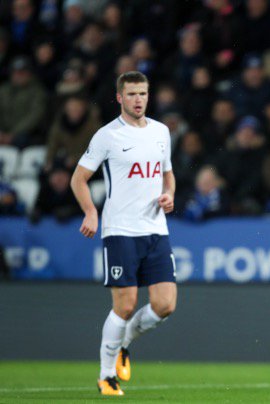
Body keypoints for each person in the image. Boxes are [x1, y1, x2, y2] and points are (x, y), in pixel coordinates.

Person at [71, 71, 176, 396]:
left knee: (165, 305)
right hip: (120, 230)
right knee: (126, 305)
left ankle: (124, 343)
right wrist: (91, 211)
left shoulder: (161, 132)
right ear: (119, 98)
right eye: (131, 94)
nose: (138, 99)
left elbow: (167, 176)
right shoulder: (107, 136)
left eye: (142, 93)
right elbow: (78, 179)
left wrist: (169, 194)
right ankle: (106, 376)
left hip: (155, 229)